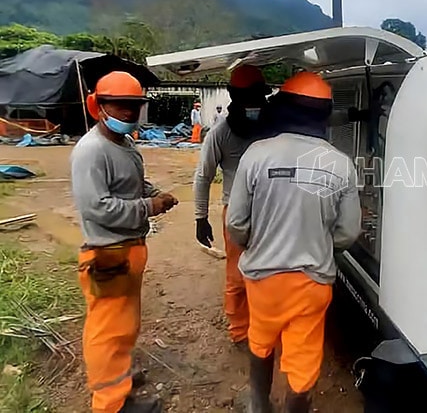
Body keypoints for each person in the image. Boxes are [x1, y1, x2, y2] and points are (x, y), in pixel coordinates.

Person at [226, 71, 362, 413]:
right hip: (311, 281)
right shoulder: (340, 164)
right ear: (325, 115)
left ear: (282, 109)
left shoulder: (256, 155)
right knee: (303, 357)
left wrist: (257, 245)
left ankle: (258, 404)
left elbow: (236, 223)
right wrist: (318, 245)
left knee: (260, 340)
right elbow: (348, 233)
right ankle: (295, 408)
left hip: (262, 278)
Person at [70, 71, 179, 413]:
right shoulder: (91, 151)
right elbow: (98, 208)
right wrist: (150, 206)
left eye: (134, 106)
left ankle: (121, 382)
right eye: (121, 106)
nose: (129, 113)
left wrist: (153, 193)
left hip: (127, 250)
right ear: (98, 106)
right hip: (107, 253)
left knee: (124, 324)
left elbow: (133, 183)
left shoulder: (126, 144)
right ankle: (111, 404)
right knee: (108, 332)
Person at [193, 65, 273, 349]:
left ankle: (266, 324)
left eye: (257, 97)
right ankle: (240, 330)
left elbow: (314, 122)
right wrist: (200, 218)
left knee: (270, 272)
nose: (254, 104)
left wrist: (355, 115)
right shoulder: (220, 134)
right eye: (247, 97)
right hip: (236, 213)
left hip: (271, 212)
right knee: (237, 276)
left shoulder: (273, 126)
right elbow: (203, 176)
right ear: (233, 96)